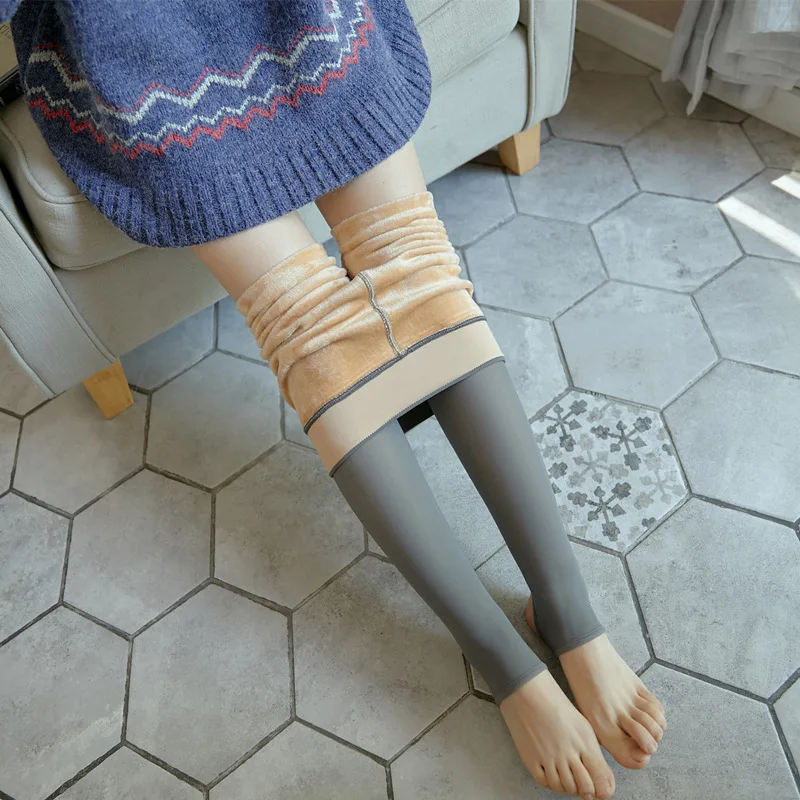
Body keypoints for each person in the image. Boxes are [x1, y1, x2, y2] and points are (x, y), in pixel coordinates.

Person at [5, 1, 665, 797]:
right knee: (314, 339)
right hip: (142, 68)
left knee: (421, 278)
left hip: (298, 19)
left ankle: (565, 609)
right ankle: (500, 658)